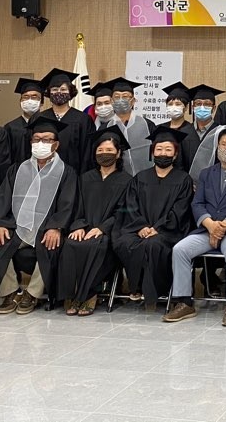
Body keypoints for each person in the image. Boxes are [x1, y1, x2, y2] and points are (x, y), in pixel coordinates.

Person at [0, 117, 77, 315]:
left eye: (47, 140)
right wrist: (0, 224)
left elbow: (68, 204)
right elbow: (2, 199)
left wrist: (55, 227)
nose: (41, 143)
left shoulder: (66, 172)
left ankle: (32, 294)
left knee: (51, 245)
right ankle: (9, 292)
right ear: (31, 142)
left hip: (46, 228)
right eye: (37, 139)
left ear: (56, 145)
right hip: (17, 226)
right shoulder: (17, 170)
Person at [165, 127, 226, 326]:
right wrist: (209, 224)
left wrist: (223, 226)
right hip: (207, 229)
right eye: (223, 144)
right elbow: (197, 203)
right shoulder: (206, 173)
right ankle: (184, 302)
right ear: (217, 147)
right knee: (180, 249)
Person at [112, 126, 192, 312]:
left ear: (175, 155)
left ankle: (153, 291)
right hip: (138, 229)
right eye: (159, 149)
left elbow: (180, 209)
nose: (163, 153)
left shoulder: (183, 179)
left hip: (169, 231)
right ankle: (136, 286)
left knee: (153, 245)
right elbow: (130, 206)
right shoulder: (140, 178)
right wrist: (140, 226)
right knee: (124, 242)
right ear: (152, 152)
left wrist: (158, 228)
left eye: (168, 150)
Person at [57, 126, 131, 316]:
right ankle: (72, 294)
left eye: (109, 150)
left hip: (109, 231)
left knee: (97, 245)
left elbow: (125, 211)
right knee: (71, 243)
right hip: (84, 227)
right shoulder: (85, 178)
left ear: (118, 153)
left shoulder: (127, 181)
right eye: (100, 150)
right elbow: (75, 206)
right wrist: (78, 226)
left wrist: (103, 228)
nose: (104, 154)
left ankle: (90, 294)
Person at [38, 68, 91, 175]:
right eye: (54, 89)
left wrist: (82, 178)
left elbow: (87, 152)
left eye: (63, 89)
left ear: (70, 92)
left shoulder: (83, 119)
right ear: (49, 93)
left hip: (73, 174)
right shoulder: (40, 118)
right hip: (45, 173)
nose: (59, 92)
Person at [104, 76, 156, 177]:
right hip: (117, 179)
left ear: (133, 101)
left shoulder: (147, 125)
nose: (121, 100)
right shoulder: (106, 128)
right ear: (111, 101)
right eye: (117, 97)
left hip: (146, 178)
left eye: (125, 97)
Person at [179, 83, 224, 179]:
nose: (202, 107)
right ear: (193, 107)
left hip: (214, 182)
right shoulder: (183, 132)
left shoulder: (221, 133)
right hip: (188, 184)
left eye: (207, 104)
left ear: (214, 108)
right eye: (198, 104)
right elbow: (179, 164)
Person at [4, 77, 44, 169]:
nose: (29, 100)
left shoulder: (48, 126)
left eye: (34, 97)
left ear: (41, 103)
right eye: (25, 97)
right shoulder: (10, 127)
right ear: (20, 102)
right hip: (16, 172)